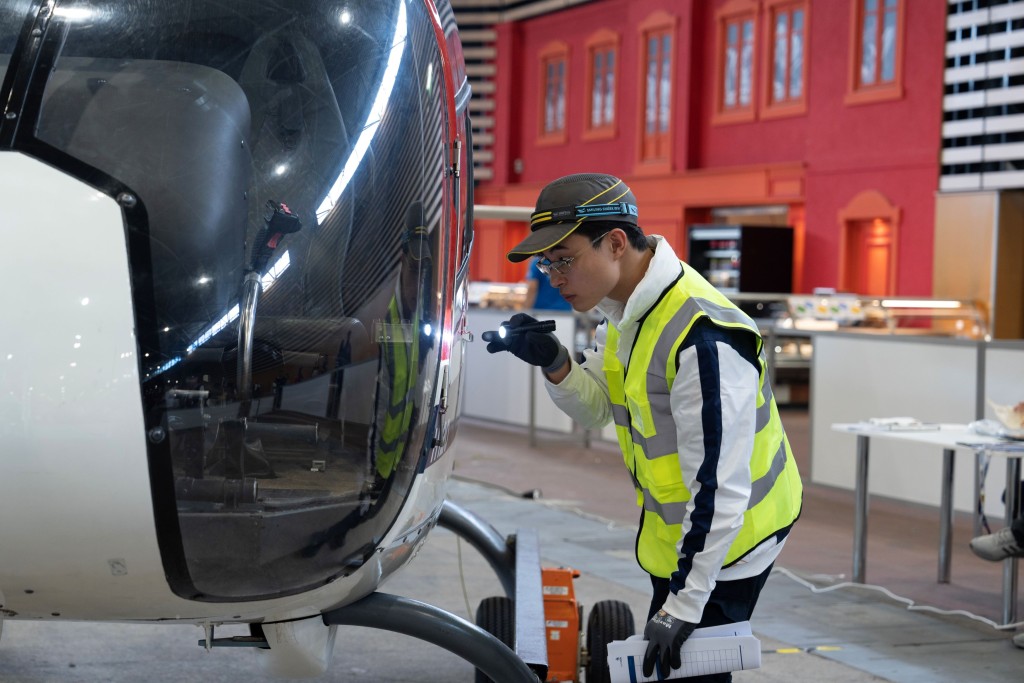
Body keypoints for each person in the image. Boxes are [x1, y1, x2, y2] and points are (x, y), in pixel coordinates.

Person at [484, 173, 803, 681]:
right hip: (679, 538)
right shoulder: (627, 314)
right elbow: (597, 409)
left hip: (733, 543)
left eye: (563, 259)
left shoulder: (702, 338)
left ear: (614, 243)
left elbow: (720, 490)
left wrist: (682, 605)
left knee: (687, 671)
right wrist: (554, 360)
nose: (553, 277)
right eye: (547, 264)